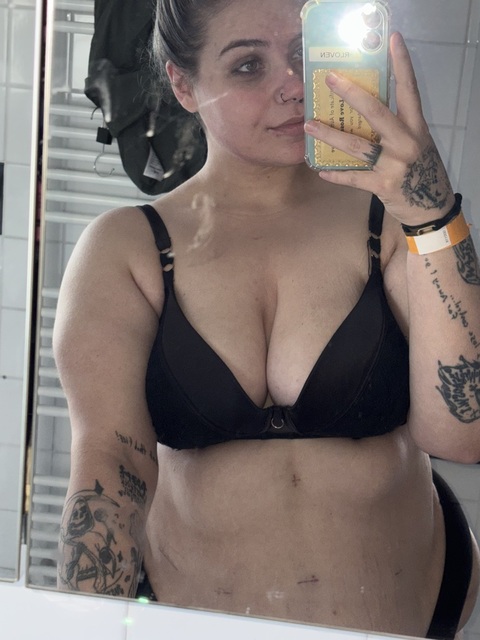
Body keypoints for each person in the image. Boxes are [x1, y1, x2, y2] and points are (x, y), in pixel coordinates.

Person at [54, 0, 480, 637]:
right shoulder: (125, 248)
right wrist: (80, 629)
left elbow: (463, 435)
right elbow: (111, 468)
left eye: (304, 54)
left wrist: (432, 211)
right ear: (183, 84)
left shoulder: (393, 219)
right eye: (249, 65)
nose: (292, 84)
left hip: (411, 610)